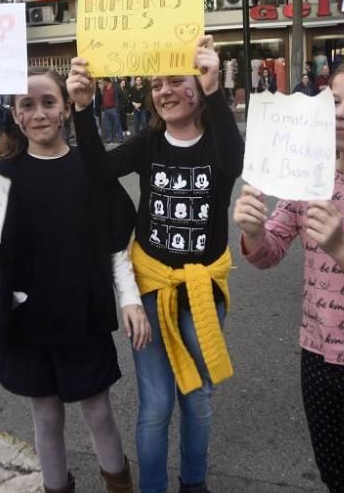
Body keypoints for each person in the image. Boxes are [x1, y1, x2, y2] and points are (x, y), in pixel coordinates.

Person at [0, 69, 149, 493]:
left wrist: (128, 298)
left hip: (83, 314)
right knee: (45, 416)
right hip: (27, 318)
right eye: (27, 104)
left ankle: (120, 485)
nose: (38, 112)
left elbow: (114, 241)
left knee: (98, 412)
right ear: (16, 116)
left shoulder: (90, 166)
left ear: (64, 109)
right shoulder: (2, 171)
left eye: (48, 102)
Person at [67, 36, 245, 493]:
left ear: (197, 87)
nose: (164, 91)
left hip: (202, 291)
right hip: (151, 289)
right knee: (155, 404)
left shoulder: (218, 148)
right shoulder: (147, 143)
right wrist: (83, 110)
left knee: (199, 397)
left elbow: (236, 158)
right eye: (155, 83)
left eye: (175, 81)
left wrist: (214, 88)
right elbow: (97, 171)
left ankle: (194, 483)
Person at [234, 56, 344, 492]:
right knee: (334, 475)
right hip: (315, 353)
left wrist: (341, 247)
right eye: (333, 101)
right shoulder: (310, 176)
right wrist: (254, 231)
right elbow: (269, 254)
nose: (341, 114)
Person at [100, 77, 123, 143]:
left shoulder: (115, 87)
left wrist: (118, 105)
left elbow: (121, 96)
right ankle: (109, 138)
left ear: (106, 81)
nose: (102, 83)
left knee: (117, 124)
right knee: (107, 125)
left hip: (114, 109)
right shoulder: (103, 88)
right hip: (106, 109)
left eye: (103, 82)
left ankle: (120, 138)